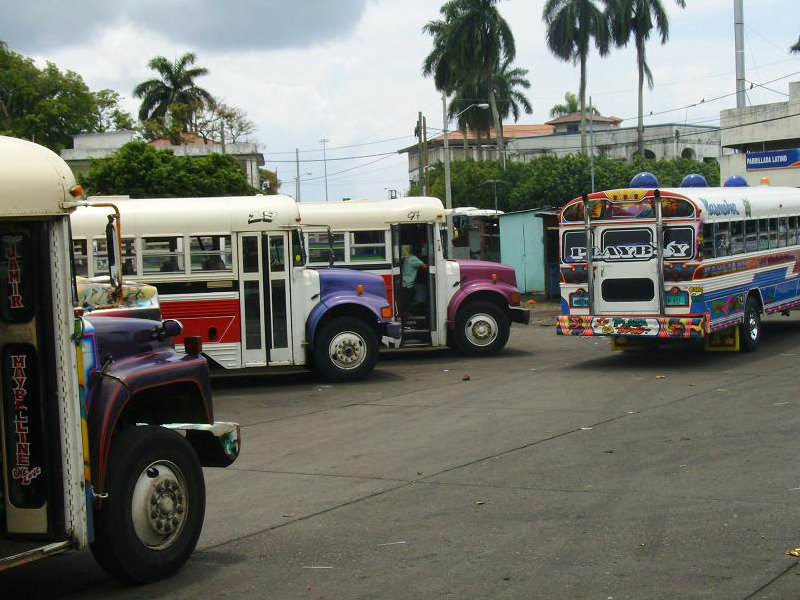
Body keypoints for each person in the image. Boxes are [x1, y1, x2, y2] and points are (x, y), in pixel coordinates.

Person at [401, 243, 427, 316]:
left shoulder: (409, 257)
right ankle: (407, 313)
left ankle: (407, 313)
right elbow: (424, 266)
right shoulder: (414, 258)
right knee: (407, 300)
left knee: (407, 299)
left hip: (404, 281)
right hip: (408, 283)